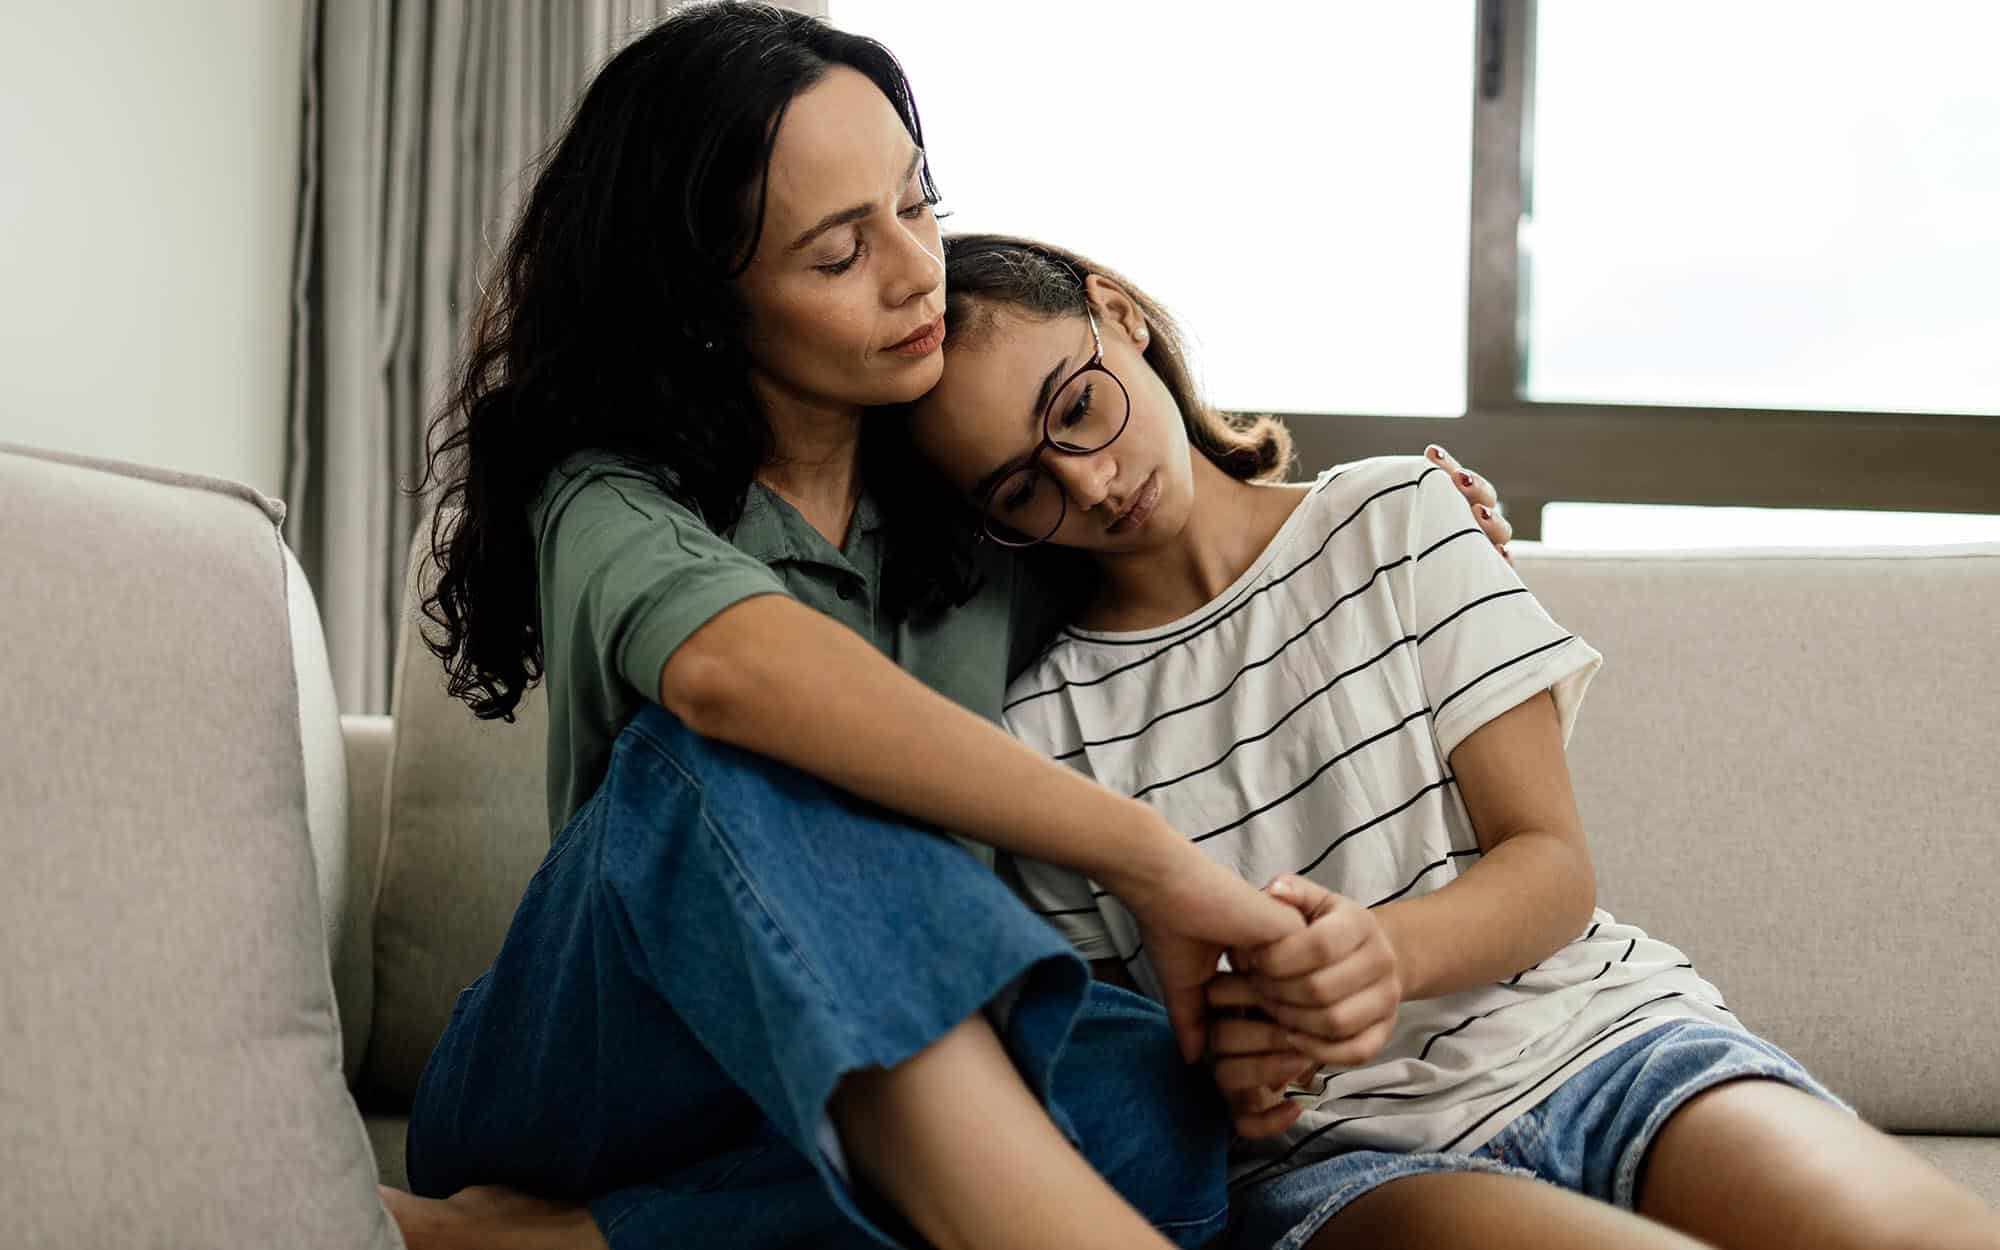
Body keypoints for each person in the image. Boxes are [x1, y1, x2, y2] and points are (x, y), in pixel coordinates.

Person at [376, 6, 1509, 1250]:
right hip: (605, 1072)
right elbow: (733, 671)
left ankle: (567, 1242)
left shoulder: (988, 513)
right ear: (709, 303)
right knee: (738, 761)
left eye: (915, 205)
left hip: (856, 1094)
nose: (918, 269)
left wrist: (1370, 512)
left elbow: (1165, 526)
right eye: (837, 253)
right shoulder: (609, 493)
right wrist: (1148, 857)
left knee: (1154, 1099)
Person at [896, 231, 2000, 1250]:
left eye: (1075, 409)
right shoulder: (1035, 735)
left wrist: (1382, 955)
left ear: (1118, 315)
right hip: (1357, 1160)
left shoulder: (1401, 515)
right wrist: (1241, 1067)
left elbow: (1551, 867)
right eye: (1021, 488)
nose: (1087, 483)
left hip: (1616, 1046)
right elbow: (1145, 1059)